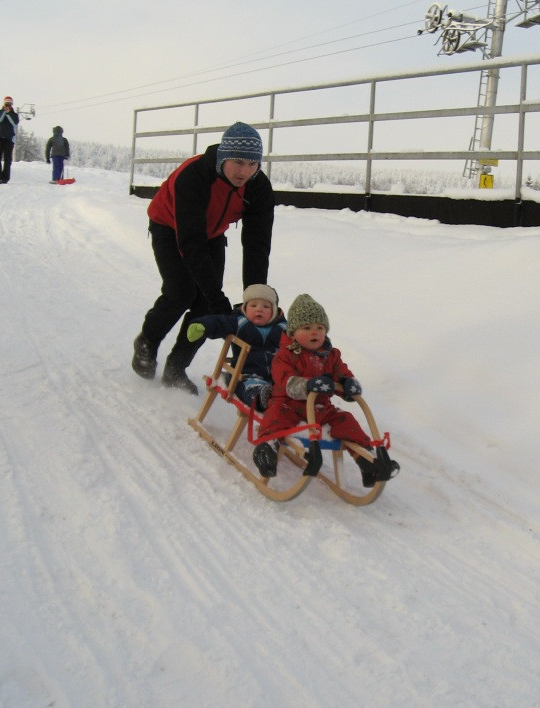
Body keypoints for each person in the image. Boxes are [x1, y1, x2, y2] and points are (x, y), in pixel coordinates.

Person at [131, 121, 275, 394]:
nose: (245, 172)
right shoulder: (194, 175)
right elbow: (191, 243)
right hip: (169, 226)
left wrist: (254, 299)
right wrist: (216, 296)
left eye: (252, 164)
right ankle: (147, 342)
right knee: (181, 293)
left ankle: (176, 368)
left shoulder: (258, 187)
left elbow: (257, 245)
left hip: (211, 234)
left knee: (206, 307)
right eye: (238, 162)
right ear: (224, 157)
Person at [252, 294, 400, 487]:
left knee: (346, 420)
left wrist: (348, 383)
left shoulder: (331, 355)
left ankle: (367, 460)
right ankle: (267, 448)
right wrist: (307, 385)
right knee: (275, 416)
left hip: (320, 408)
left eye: (320, 328)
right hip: (289, 404)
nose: (314, 332)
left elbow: (341, 371)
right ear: (293, 333)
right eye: (307, 328)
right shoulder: (285, 356)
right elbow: (285, 380)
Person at [186, 283, 287, 408]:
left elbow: (300, 336)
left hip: (278, 377)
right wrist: (203, 326)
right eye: (253, 305)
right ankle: (262, 398)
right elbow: (219, 322)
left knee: (289, 387)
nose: (259, 309)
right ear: (245, 308)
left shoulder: (282, 328)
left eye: (266, 306)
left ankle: (291, 404)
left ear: (274, 311)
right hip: (247, 375)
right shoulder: (239, 322)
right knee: (249, 388)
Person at [0, 96, 19, 183]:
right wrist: (4, 112)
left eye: (9, 103)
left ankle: (5, 178)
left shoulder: (14, 115)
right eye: (6, 103)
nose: (8, 105)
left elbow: (15, 123)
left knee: (7, 159)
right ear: (4, 104)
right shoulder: (0, 112)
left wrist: (9, 113)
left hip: (9, 139)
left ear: (12, 104)